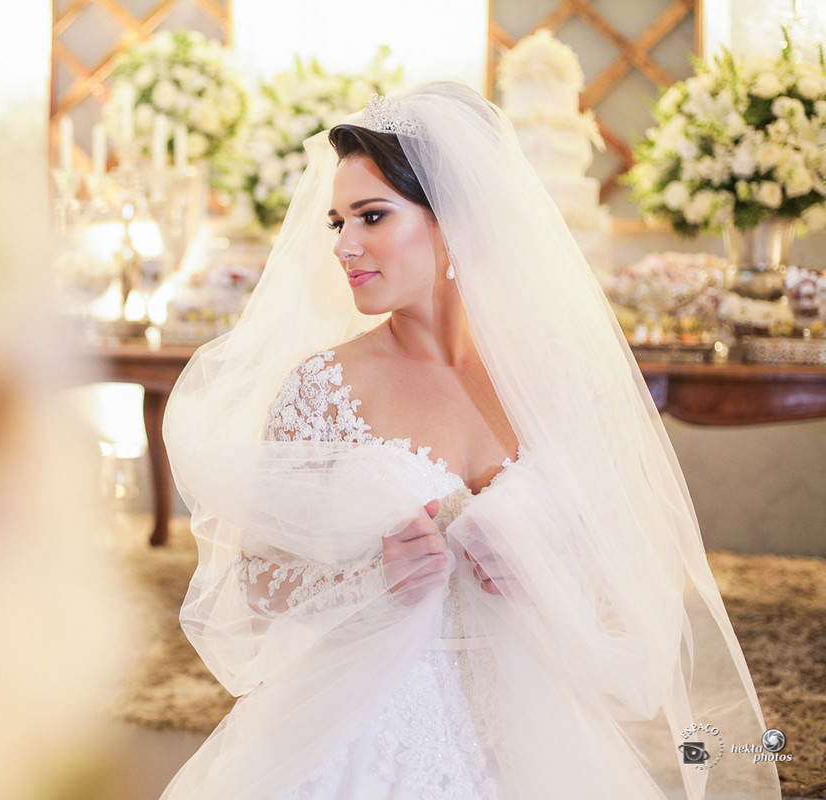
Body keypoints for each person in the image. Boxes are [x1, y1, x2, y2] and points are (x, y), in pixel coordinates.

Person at [160, 83, 780, 799]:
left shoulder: (556, 379)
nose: (344, 246)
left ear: (452, 221)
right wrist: (370, 577)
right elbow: (255, 584)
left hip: (539, 726)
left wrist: (543, 572)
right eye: (337, 222)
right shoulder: (320, 387)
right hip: (364, 728)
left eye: (371, 216)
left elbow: (625, 566)